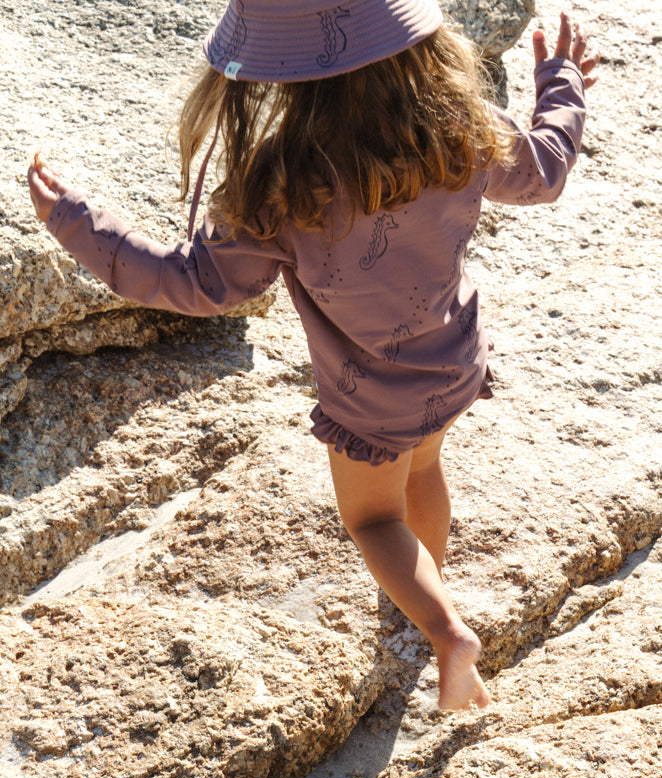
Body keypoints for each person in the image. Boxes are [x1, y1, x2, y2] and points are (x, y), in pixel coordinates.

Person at [28, 0, 598, 710]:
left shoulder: (280, 188)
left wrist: (77, 224)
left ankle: (448, 634)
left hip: (369, 401)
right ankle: (424, 596)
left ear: (275, 71)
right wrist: (561, 83)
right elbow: (545, 170)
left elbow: (194, 284)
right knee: (424, 469)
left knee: (372, 520)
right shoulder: (460, 125)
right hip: (456, 361)